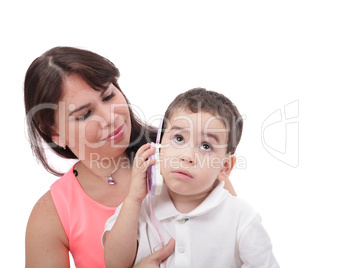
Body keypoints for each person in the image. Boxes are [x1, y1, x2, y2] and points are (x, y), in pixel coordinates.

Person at [24, 47, 237, 268]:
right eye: (85, 114)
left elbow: (237, 250)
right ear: (54, 133)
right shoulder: (51, 215)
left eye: (108, 96)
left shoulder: (184, 158)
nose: (110, 117)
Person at [103, 88, 279, 267]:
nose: (186, 156)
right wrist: (133, 199)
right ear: (158, 147)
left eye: (206, 146)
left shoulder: (241, 218)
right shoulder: (138, 207)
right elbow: (114, 264)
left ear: (225, 167)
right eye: (178, 138)